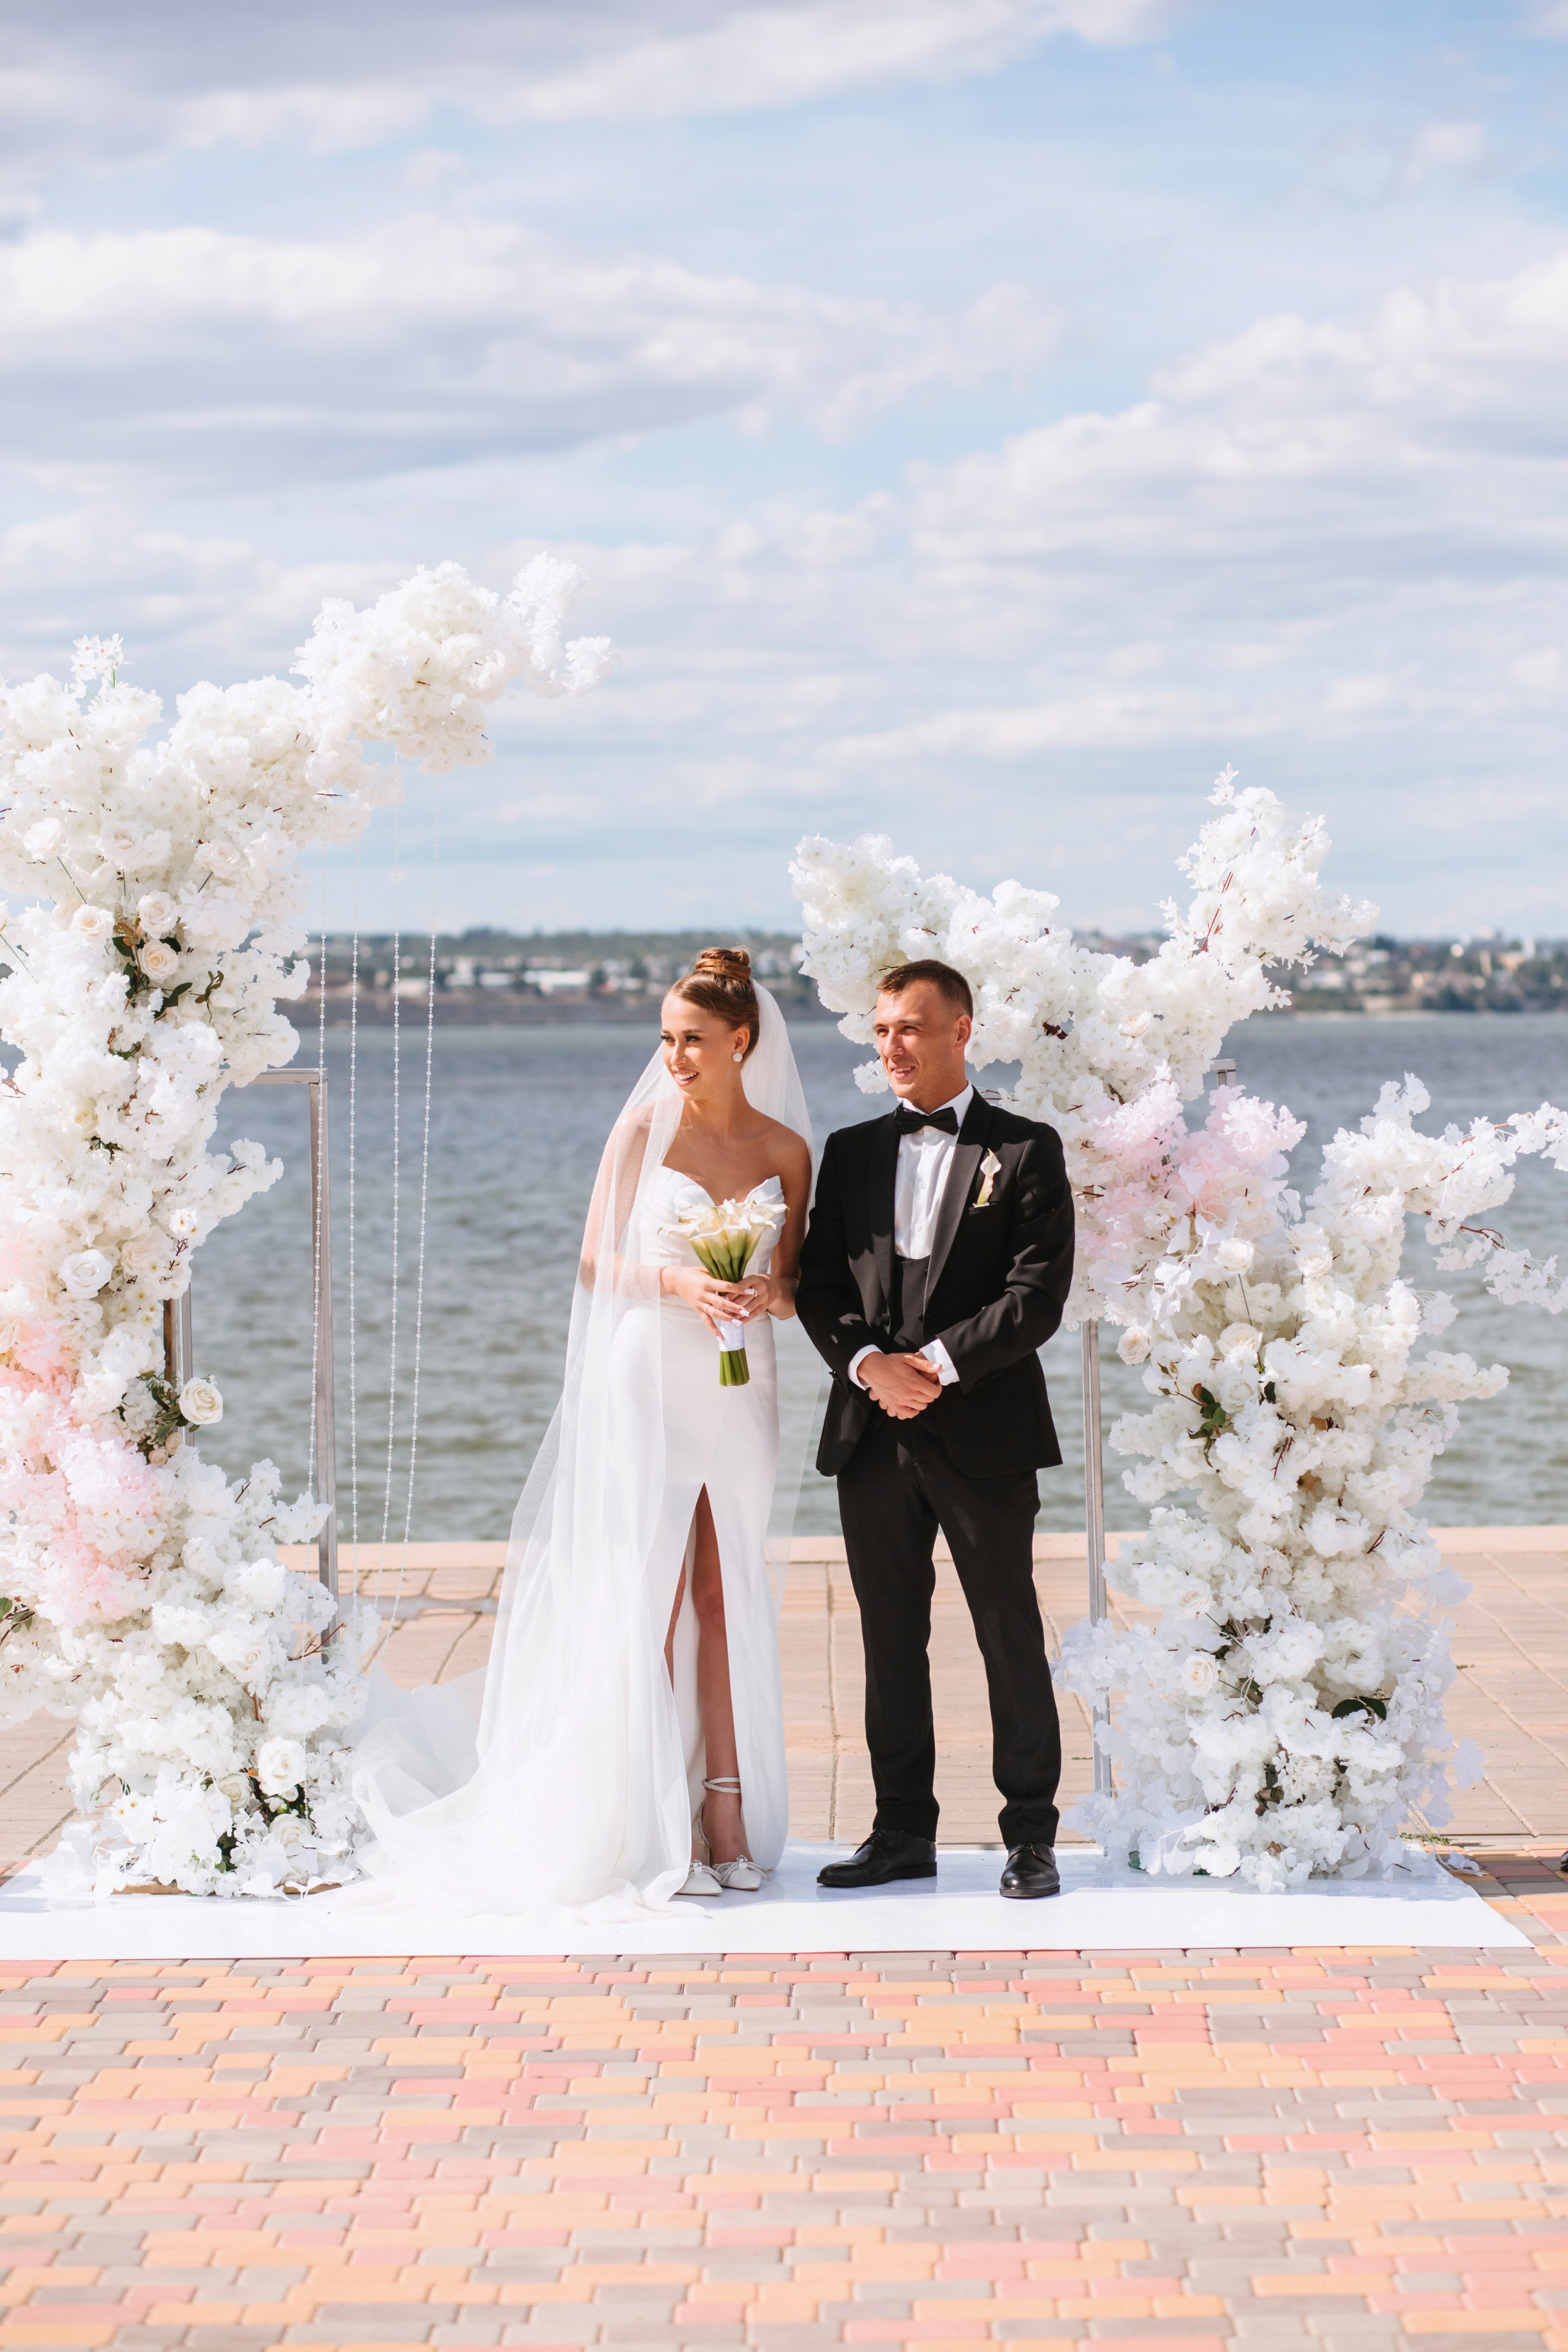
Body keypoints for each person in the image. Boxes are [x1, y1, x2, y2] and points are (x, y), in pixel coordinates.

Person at [350, 949, 813, 1917]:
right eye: (666, 1039)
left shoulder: (785, 1150)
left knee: (728, 1584)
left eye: (692, 1040)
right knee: (650, 1580)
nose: (675, 1056)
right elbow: (598, 1261)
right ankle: (647, 1815)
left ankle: (724, 1808)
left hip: (742, 1375)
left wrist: (766, 1291)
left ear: (742, 1040)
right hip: (650, 1363)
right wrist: (685, 1281)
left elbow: (796, 1283)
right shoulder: (642, 1130)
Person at [795, 959, 1075, 1900]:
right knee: (888, 1639)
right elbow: (821, 1286)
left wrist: (938, 1367)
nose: (891, 1047)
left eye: (910, 1028)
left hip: (985, 1428)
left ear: (962, 1030)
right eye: (880, 1030)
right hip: (872, 1429)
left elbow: (1037, 1300)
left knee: (1008, 1632)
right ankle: (900, 1832)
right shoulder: (850, 1150)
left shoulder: (1027, 1150)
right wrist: (871, 1368)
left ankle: (1031, 1837)